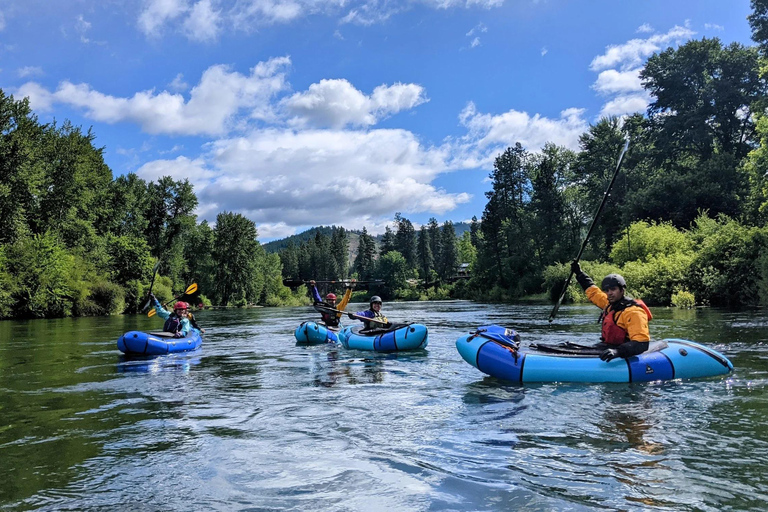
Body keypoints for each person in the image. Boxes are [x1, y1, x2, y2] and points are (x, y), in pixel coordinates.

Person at [570, 261, 653, 362]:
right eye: (607, 290)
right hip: (607, 346)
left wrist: (617, 352)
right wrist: (579, 273)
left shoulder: (634, 312)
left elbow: (642, 343)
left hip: (625, 351)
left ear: (622, 290)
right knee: (569, 346)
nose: (609, 293)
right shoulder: (609, 304)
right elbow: (594, 293)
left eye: (613, 289)